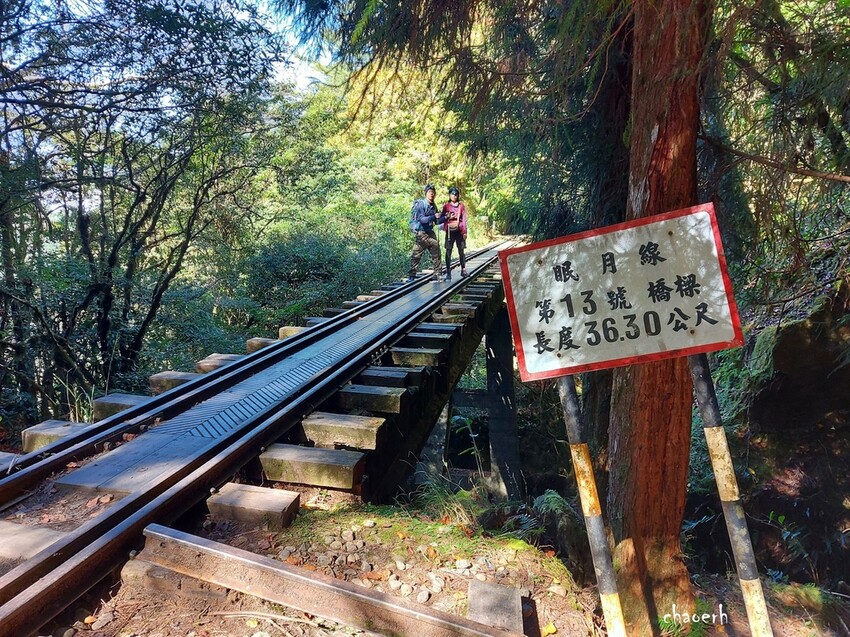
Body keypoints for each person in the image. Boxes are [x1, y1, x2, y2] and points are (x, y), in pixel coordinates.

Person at [408, 184, 443, 282]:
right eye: (429, 192)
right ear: (426, 193)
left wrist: (444, 217)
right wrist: (434, 216)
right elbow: (422, 219)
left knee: (436, 253)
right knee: (416, 255)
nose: (431, 194)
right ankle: (411, 276)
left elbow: (437, 222)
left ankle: (437, 274)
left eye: (433, 192)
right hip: (421, 232)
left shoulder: (433, 205)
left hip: (429, 232)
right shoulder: (421, 204)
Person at [441, 186, 468, 280]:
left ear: (458, 195)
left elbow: (464, 219)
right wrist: (445, 218)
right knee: (448, 251)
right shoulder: (446, 206)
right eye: (452, 194)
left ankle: (463, 269)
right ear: (449, 195)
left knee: (461, 251)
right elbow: (441, 218)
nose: (454, 196)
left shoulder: (461, 206)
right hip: (449, 232)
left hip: (459, 231)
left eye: (456, 194)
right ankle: (448, 273)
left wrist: (465, 231)